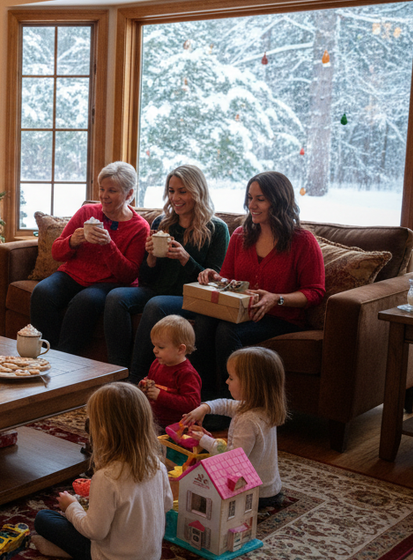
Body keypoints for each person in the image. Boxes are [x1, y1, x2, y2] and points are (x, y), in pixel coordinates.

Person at [193, 171, 324, 397]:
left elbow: (315, 292)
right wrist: (217, 278)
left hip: (281, 318)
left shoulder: (302, 241)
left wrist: (276, 299)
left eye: (260, 199)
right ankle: (201, 396)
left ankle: (229, 403)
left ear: (279, 201)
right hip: (241, 312)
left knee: (227, 331)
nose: (251, 205)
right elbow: (228, 278)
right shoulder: (239, 236)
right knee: (203, 320)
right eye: (250, 198)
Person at [32, 382, 171, 560]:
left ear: (103, 431)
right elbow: (165, 505)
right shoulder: (157, 465)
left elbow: (95, 531)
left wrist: (71, 507)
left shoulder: (107, 477)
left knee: (44, 519)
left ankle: (67, 551)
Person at [103, 164, 229, 382]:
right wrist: (151, 258)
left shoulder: (217, 229)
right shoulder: (163, 223)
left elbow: (214, 281)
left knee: (156, 304)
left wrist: (185, 259)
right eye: (171, 191)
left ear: (197, 192)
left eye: (183, 191)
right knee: (116, 297)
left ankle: (136, 378)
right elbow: (146, 280)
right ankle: (117, 371)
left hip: (190, 297)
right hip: (156, 290)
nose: (175, 198)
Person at [30, 162, 151, 356]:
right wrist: (72, 241)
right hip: (73, 275)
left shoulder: (139, 227)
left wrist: (108, 245)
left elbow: (128, 275)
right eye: (102, 189)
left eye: (112, 191)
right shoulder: (87, 212)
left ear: (129, 195)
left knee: (85, 301)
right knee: (42, 292)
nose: (104, 195)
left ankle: (64, 357)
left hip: (109, 283)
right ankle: (45, 353)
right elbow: (56, 253)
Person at [181, 346, 287, 508]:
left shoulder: (248, 420)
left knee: (197, 487)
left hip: (254, 492)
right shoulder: (262, 407)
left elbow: (232, 458)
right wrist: (205, 408)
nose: (226, 381)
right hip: (269, 487)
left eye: (231, 378)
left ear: (249, 384)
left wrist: (205, 440)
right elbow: (226, 404)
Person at [139, 315, 202, 428]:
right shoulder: (157, 363)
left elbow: (192, 404)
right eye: (154, 345)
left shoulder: (187, 373)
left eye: (161, 347)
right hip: (155, 420)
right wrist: (145, 386)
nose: (155, 350)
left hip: (177, 427)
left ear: (180, 349)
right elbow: (153, 383)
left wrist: (160, 396)